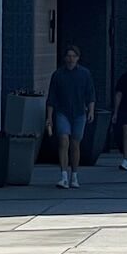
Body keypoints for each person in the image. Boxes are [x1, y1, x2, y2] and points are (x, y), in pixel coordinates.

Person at [45, 44, 96, 189]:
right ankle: (63, 175)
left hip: (80, 113)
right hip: (62, 112)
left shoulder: (85, 74)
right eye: (68, 56)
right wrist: (49, 117)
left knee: (75, 144)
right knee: (63, 141)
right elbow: (52, 98)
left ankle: (74, 175)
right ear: (64, 58)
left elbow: (90, 94)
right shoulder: (58, 75)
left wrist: (91, 110)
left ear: (78, 58)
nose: (71, 59)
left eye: (74, 56)